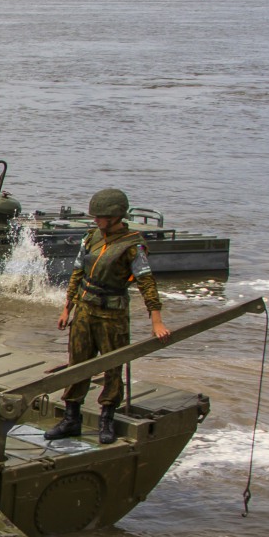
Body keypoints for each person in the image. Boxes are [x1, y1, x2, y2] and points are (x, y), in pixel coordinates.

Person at [50, 188, 171, 444]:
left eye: (100, 217)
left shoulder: (132, 245)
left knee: (112, 366)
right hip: (84, 308)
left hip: (112, 313)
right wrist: (67, 307)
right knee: (78, 363)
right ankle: (71, 419)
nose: (96, 220)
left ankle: (107, 418)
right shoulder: (91, 237)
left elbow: (146, 282)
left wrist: (156, 320)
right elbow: (77, 272)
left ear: (115, 217)